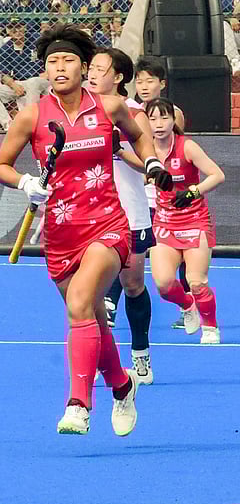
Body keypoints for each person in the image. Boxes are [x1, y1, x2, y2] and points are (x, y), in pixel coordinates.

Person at [0, 24, 172, 436]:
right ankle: (122, 386)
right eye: (52, 61)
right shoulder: (32, 115)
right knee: (93, 320)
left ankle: (79, 404)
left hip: (107, 224)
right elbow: (0, 166)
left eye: (68, 60)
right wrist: (25, 183)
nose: (59, 67)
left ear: (84, 66)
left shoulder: (108, 107)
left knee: (79, 304)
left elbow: (140, 138)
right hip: (59, 232)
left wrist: (152, 164)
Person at [87, 49, 156, 384]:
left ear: (118, 77)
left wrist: (119, 150)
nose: (93, 73)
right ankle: (102, 366)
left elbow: (150, 165)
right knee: (90, 293)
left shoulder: (133, 113)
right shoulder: (79, 111)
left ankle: (140, 353)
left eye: (102, 69)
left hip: (129, 210)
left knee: (133, 285)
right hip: (91, 214)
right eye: (92, 68)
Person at [146, 98, 226, 345]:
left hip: (195, 221)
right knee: (163, 284)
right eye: (153, 119)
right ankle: (187, 303)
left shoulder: (187, 146)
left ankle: (210, 327)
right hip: (164, 224)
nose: (159, 124)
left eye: (164, 118)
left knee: (197, 281)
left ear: (174, 121)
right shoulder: (146, 150)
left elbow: (217, 175)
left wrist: (193, 191)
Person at [134, 56, 190, 328]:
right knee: (130, 248)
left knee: (182, 251)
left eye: (150, 81)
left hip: (169, 195)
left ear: (162, 84)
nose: (144, 86)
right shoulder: (130, 110)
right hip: (141, 194)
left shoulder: (173, 113)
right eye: (139, 80)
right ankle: (110, 302)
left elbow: (173, 151)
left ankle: (189, 299)